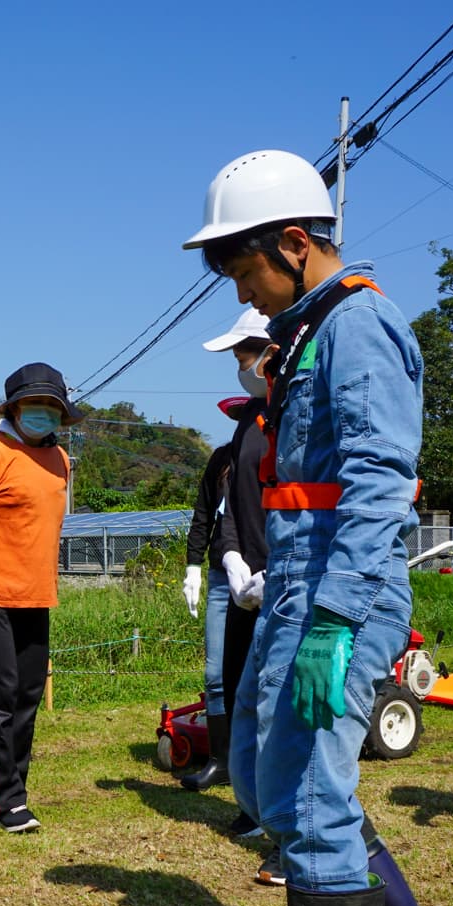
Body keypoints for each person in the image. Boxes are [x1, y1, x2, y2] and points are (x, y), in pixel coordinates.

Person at [184, 149, 453, 906]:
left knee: (306, 789)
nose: (242, 296)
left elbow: (378, 479)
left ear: (296, 243)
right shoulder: (306, 331)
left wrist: (337, 618)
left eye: (245, 271)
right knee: (260, 774)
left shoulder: (358, 326)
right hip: (299, 583)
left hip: (345, 586)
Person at [0, 363, 77, 833]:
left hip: (36, 593)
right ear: (14, 409)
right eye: (35, 405)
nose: (43, 414)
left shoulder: (60, 460)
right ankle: (7, 799)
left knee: (26, 697)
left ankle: (6, 790)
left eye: (52, 407)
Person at [177, 309, 273, 834]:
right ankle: (250, 803)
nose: (239, 363)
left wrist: (275, 569)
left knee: (272, 699)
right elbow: (228, 510)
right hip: (239, 584)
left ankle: (276, 815)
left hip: (279, 581)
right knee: (234, 687)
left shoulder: (292, 420)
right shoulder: (242, 433)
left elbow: (298, 507)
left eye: (243, 353)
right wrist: (229, 558)